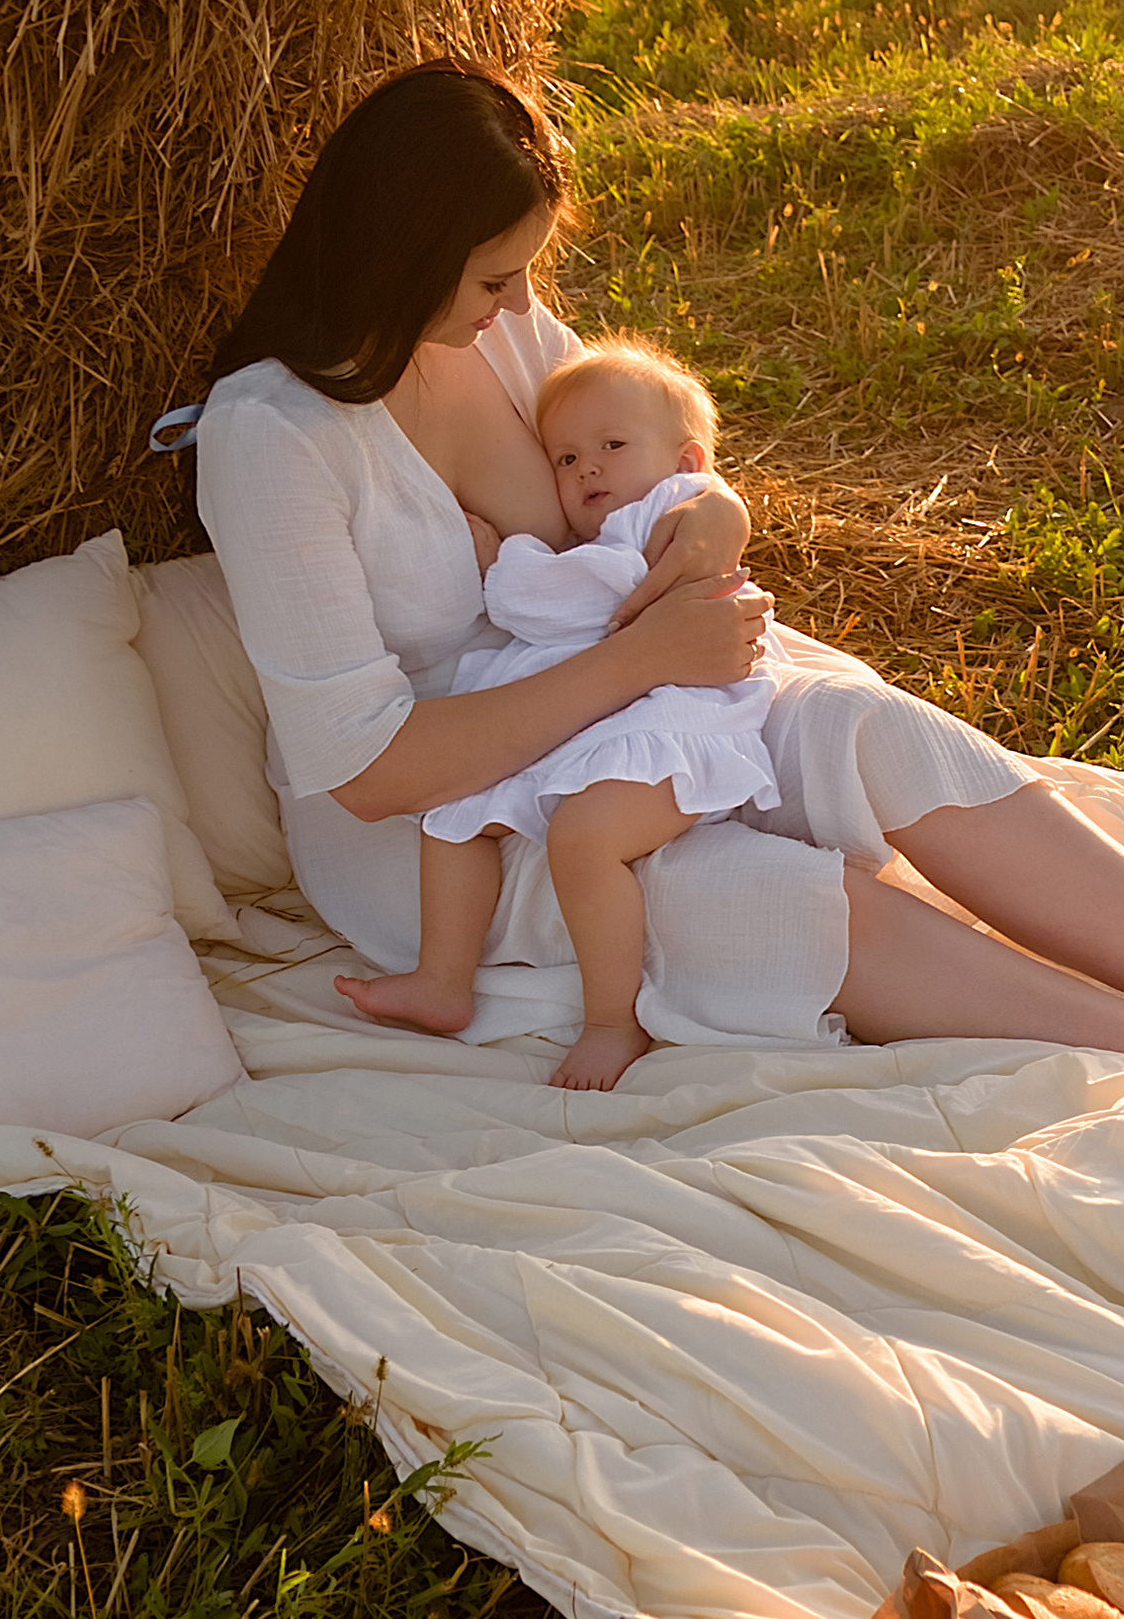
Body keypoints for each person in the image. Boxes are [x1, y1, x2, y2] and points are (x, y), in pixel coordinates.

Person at [191, 59, 1124, 1063]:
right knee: (788, 899)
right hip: (451, 828)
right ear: (403, 253)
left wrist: (717, 515)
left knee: (878, 731)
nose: (525, 306)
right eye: (495, 278)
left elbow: (651, 449)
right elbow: (369, 771)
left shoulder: (497, 337)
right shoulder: (273, 437)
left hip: (636, 697)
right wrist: (641, 663)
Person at [336, 336, 794, 1085]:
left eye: (612, 446)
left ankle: (614, 1020)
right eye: (567, 459)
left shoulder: (671, 513)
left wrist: (501, 564)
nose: (588, 469)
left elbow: (587, 596)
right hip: (598, 709)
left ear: (685, 464)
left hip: (672, 721)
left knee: (584, 837)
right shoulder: (620, 524)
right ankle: (441, 981)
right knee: (452, 817)